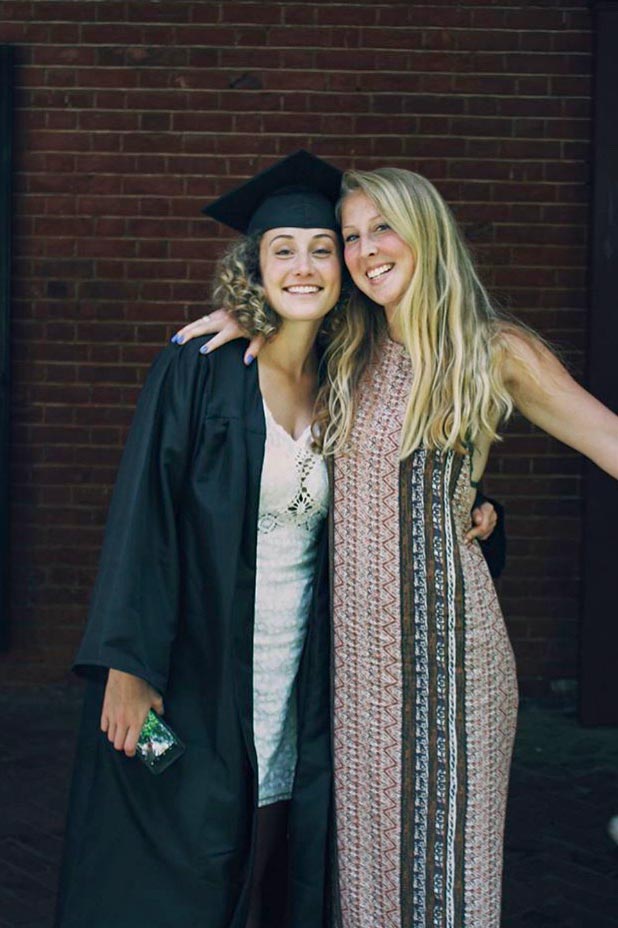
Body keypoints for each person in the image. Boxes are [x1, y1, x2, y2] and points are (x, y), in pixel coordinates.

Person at [173, 163, 618, 928]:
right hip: (355, 673)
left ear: (426, 232)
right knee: (367, 887)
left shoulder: (492, 348)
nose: (366, 249)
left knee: (445, 882)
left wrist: (479, 511)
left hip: (450, 661)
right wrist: (248, 319)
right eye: (350, 237)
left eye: (384, 228)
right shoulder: (347, 347)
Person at [55, 151, 346, 928]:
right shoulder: (199, 368)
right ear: (253, 265)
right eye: (283, 249)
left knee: (270, 832)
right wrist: (125, 662)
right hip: (190, 660)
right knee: (174, 839)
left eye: (323, 249)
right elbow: (143, 511)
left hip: (293, 665)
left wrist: (479, 514)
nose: (305, 266)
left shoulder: (353, 380)